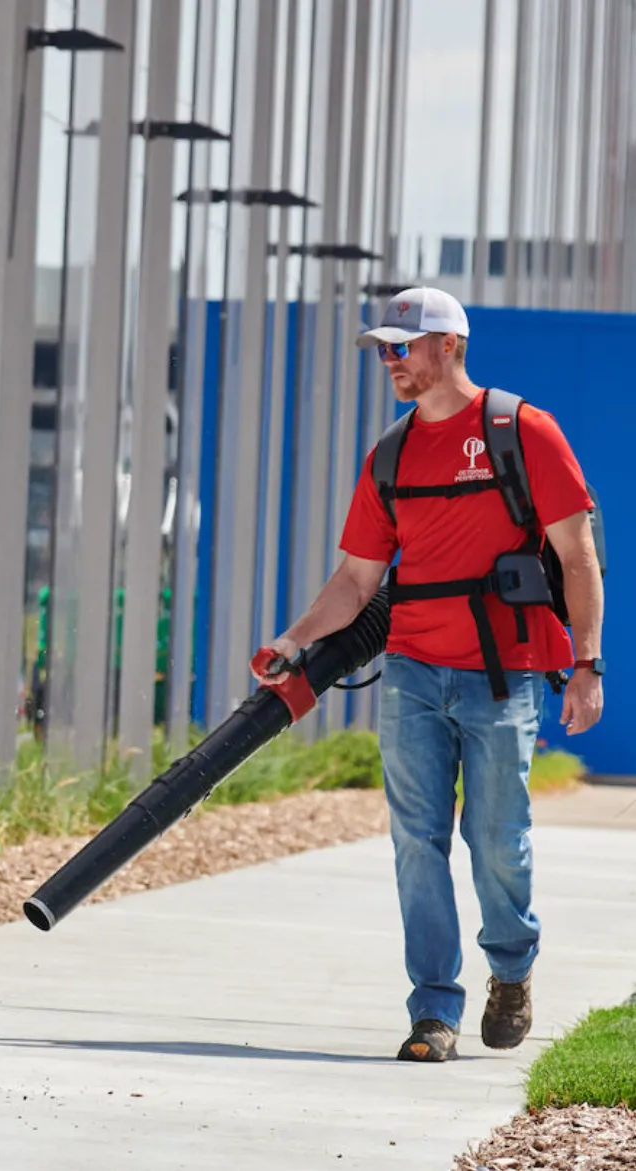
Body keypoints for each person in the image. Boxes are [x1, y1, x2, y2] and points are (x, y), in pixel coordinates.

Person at [253, 287, 604, 1063]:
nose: (389, 361)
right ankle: (434, 1008)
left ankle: (511, 968)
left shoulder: (521, 430)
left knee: (496, 836)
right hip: (412, 669)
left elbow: (577, 554)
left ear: (448, 345)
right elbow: (356, 580)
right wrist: (294, 638)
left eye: (400, 347)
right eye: (383, 349)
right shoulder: (391, 454)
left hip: (503, 672)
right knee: (417, 841)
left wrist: (585, 664)